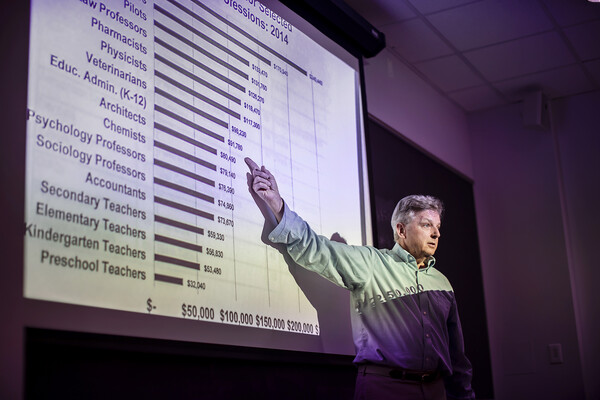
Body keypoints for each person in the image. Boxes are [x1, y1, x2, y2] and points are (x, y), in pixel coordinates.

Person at [245, 158, 475, 400]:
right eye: (427, 225)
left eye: (438, 226)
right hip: (385, 389)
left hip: (436, 391)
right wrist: (278, 206)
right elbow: (317, 248)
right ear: (401, 230)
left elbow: (457, 356)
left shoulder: (442, 283)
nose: (436, 233)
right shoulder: (371, 263)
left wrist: (464, 395)